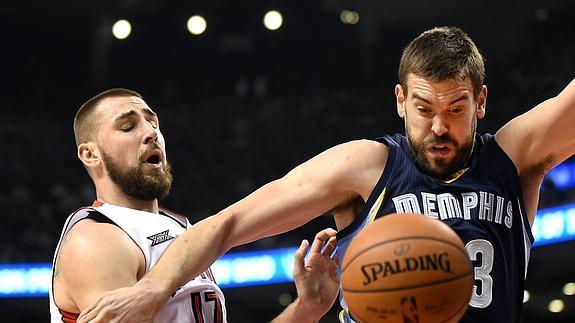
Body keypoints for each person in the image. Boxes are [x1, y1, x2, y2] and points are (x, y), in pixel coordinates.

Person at [78, 26, 575, 323]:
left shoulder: (513, 158)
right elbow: (230, 223)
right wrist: (153, 288)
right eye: (423, 108)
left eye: (456, 109)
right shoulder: (367, 165)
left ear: (481, 103)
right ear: (400, 100)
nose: (439, 126)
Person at [49, 88, 340, 323]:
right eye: (128, 127)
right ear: (90, 154)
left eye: (153, 123)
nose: (151, 133)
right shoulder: (97, 237)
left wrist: (306, 309)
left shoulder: (180, 227)